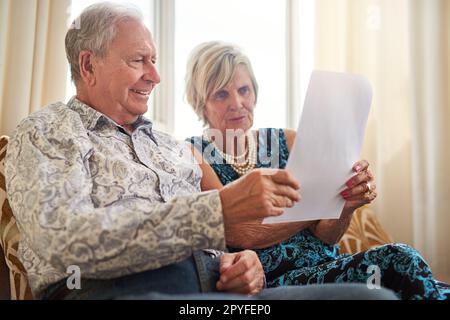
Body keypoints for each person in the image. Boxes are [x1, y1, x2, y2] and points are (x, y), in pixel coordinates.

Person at [4, 2, 397, 301]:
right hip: (119, 291)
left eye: (154, 61)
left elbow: (233, 235)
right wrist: (218, 209)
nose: (155, 76)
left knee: (374, 295)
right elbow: (65, 241)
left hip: (216, 292)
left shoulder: (171, 149)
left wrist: (242, 263)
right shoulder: (47, 132)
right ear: (88, 65)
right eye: (139, 61)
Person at [185, 41, 450, 300]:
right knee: (400, 259)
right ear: (200, 102)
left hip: (328, 265)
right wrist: (315, 204)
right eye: (221, 94)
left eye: (244, 90)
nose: (237, 102)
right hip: (277, 281)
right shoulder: (194, 154)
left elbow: (326, 235)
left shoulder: (287, 140)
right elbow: (238, 231)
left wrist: (346, 203)